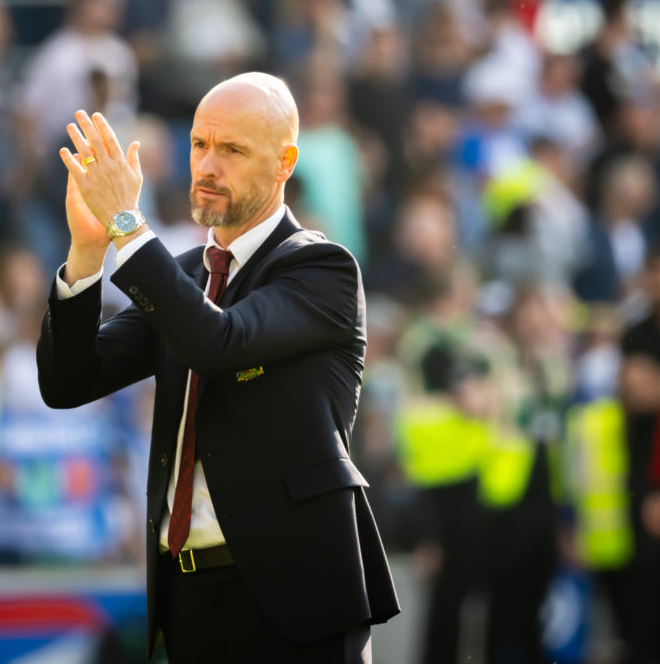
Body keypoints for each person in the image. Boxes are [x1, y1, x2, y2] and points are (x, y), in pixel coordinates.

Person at [37, 72, 399, 662]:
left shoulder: (324, 268)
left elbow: (217, 342)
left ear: (285, 163)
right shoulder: (180, 275)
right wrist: (86, 251)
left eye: (232, 149)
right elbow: (68, 383)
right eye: (200, 144)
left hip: (295, 599)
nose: (207, 165)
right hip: (188, 595)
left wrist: (128, 225)